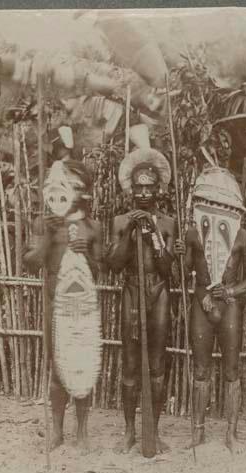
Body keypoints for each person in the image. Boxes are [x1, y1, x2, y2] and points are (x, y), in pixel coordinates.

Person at [23, 158, 102, 452]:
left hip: (84, 304)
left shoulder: (92, 227)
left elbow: (99, 269)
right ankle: (57, 430)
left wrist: (87, 253)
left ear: (81, 192)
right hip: (54, 302)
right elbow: (30, 262)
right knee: (58, 367)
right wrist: (46, 238)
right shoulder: (42, 224)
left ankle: (81, 431)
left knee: (82, 364)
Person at [174, 166, 246, 454]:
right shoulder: (193, 233)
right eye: (211, 205)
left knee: (232, 370)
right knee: (201, 368)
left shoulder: (242, 236)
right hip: (201, 302)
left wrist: (230, 291)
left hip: (229, 305)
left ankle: (231, 434)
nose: (217, 210)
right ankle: (198, 432)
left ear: (234, 208)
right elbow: (181, 276)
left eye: (223, 206)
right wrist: (180, 255)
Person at [104, 127, 175, 455]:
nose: (144, 194)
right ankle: (130, 431)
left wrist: (153, 234)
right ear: (131, 190)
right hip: (132, 292)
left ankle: (154, 431)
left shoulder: (167, 223)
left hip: (158, 293)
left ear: (158, 190)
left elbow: (167, 269)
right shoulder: (121, 221)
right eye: (139, 188)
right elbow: (114, 265)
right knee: (131, 365)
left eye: (150, 188)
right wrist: (132, 230)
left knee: (158, 366)